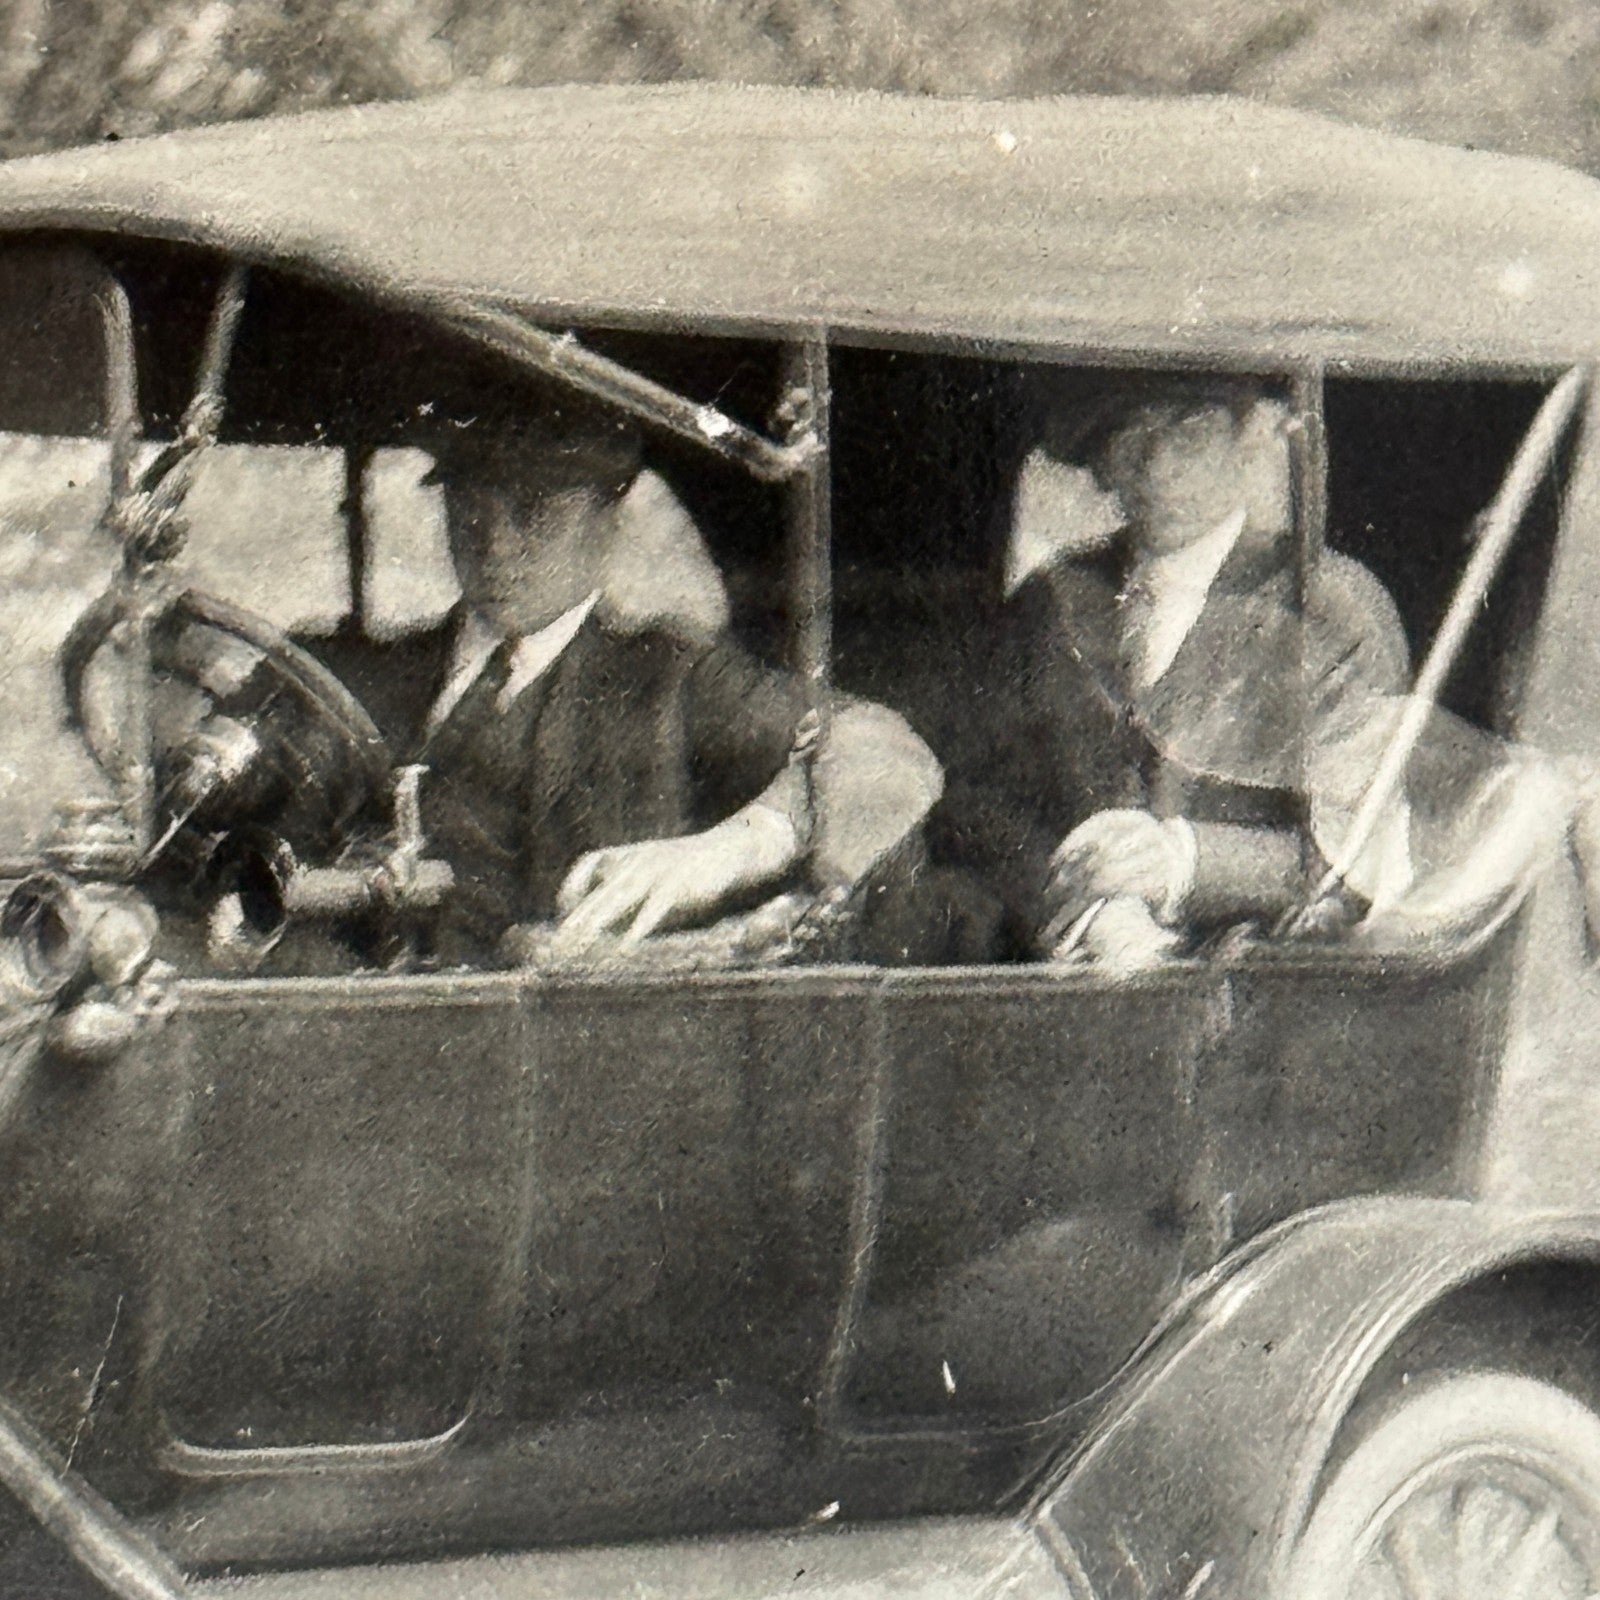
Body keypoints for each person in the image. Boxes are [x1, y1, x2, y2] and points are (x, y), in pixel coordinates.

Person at [310, 396, 941, 964]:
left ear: (609, 517)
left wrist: (731, 849)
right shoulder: (353, 680)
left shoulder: (673, 678)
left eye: (533, 511)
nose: (496, 545)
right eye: (469, 507)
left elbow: (882, 748)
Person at [934, 379, 1412, 967]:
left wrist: (1182, 861)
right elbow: (972, 802)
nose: (1157, 461)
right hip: (1061, 981)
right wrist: (1080, 905)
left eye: (1189, 427)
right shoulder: (1049, 600)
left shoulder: (1333, 610)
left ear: (1245, 439)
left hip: (1261, 993)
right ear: (1099, 463)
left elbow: (1360, 855)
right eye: (1129, 433)